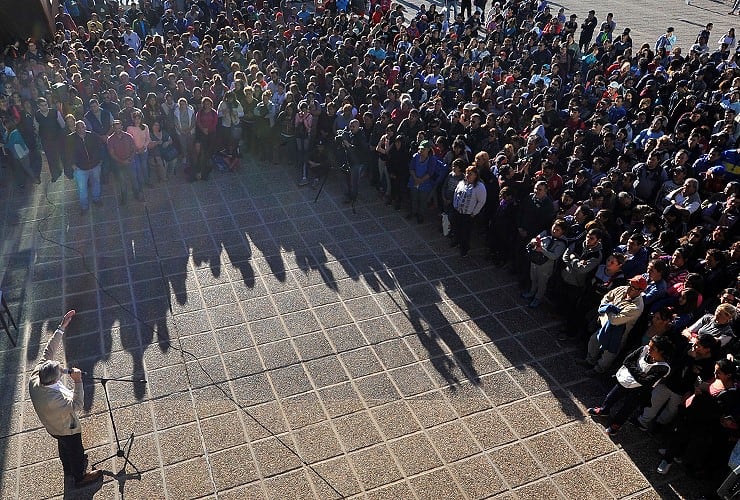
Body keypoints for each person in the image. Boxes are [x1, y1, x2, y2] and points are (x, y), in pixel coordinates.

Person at [28, 310, 103, 488]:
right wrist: (78, 382)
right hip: (66, 428)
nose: (63, 370)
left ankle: (68, 467)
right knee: (75, 449)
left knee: (64, 447)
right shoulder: (54, 399)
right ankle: (80, 477)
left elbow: (49, 350)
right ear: (54, 380)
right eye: (60, 371)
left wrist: (61, 327)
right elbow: (77, 404)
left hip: (52, 427)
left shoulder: (36, 375)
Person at [588, 335, 673, 435]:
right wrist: (639, 373)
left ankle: (616, 425)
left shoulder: (663, 368)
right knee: (611, 396)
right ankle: (604, 410)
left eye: (653, 348)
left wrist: (634, 369)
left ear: (661, 352)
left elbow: (645, 382)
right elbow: (627, 361)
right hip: (625, 380)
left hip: (639, 391)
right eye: (650, 345)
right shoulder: (643, 350)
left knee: (627, 408)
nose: (649, 349)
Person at [582, 275, 647, 376]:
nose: (629, 288)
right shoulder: (623, 289)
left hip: (618, 334)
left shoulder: (636, 307)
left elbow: (615, 320)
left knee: (609, 353)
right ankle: (589, 361)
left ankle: (598, 370)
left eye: (633, 287)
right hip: (605, 326)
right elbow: (606, 298)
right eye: (629, 284)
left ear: (640, 291)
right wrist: (608, 307)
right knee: (594, 340)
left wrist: (608, 308)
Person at [450, 165, 487, 257]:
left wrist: (474, 213)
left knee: (465, 232)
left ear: (475, 175)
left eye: (470, 174)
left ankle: (464, 249)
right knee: (456, 228)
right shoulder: (462, 183)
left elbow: (481, 201)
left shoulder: (479, 187)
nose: (467, 175)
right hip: (458, 211)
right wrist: (455, 205)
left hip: (468, 215)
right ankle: (456, 241)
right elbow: (456, 193)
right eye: (467, 173)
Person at [66, 120, 103, 213]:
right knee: (82, 188)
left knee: (96, 183)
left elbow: (99, 148)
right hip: (80, 168)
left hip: (94, 166)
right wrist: (72, 164)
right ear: (76, 128)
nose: (81, 129)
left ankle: (96, 199)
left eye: (83, 127)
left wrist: (99, 160)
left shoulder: (92, 136)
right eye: (79, 127)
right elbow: (67, 153)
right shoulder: (70, 138)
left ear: (85, 127)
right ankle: (84, 206)